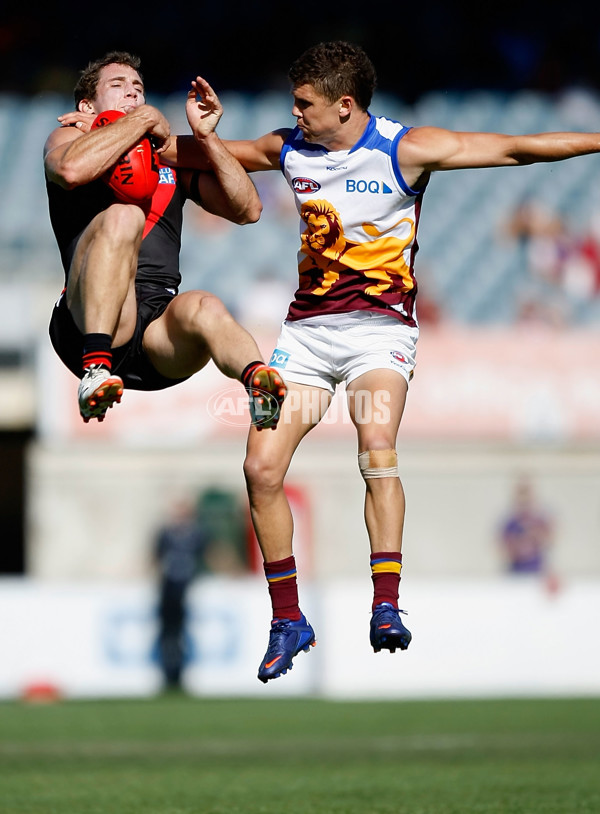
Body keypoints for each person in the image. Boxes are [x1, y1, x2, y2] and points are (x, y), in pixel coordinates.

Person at [169, 40, 600, 684]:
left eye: (305, 103)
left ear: (345, 105)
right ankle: (288, 620)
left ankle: (387, 603)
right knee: (260, 467)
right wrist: (137, 133)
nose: (295, 112)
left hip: (379, 332)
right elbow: (194, 155)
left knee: (376, 441)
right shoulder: (289, 147)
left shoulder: (405, 149)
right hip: (307, 336)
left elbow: (516, 147)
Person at [43, 51, 286, 428]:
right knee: (125, 215)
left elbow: (248, 209)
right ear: (87, 105)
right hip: (90, 321)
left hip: (158, 334)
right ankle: (94, 373)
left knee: (205, 305)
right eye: (118, 86)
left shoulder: (164, 157)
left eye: (138, 88)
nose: (133, 94)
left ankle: (259, 384)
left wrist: (207, 138)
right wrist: (144, 119)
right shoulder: (69, 136)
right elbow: (72, 170)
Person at [154, 497, 208, 690]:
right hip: (168, 588)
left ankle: (180, 674)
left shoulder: (196, 534)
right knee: (167, 634)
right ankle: (168, 674)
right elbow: (156, 558)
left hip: (186, 587)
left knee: (181, 634)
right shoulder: (166, 533)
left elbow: (207, 556)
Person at [498, 478, 555, 575]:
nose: (524, 500)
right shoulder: (510, 522)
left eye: (527, 495)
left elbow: (550, 540)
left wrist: (536, 534)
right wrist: (517, 543)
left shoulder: (539, 520)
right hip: (515, 573)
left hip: (537, 572)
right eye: (521, 495)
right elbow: (503, 550)